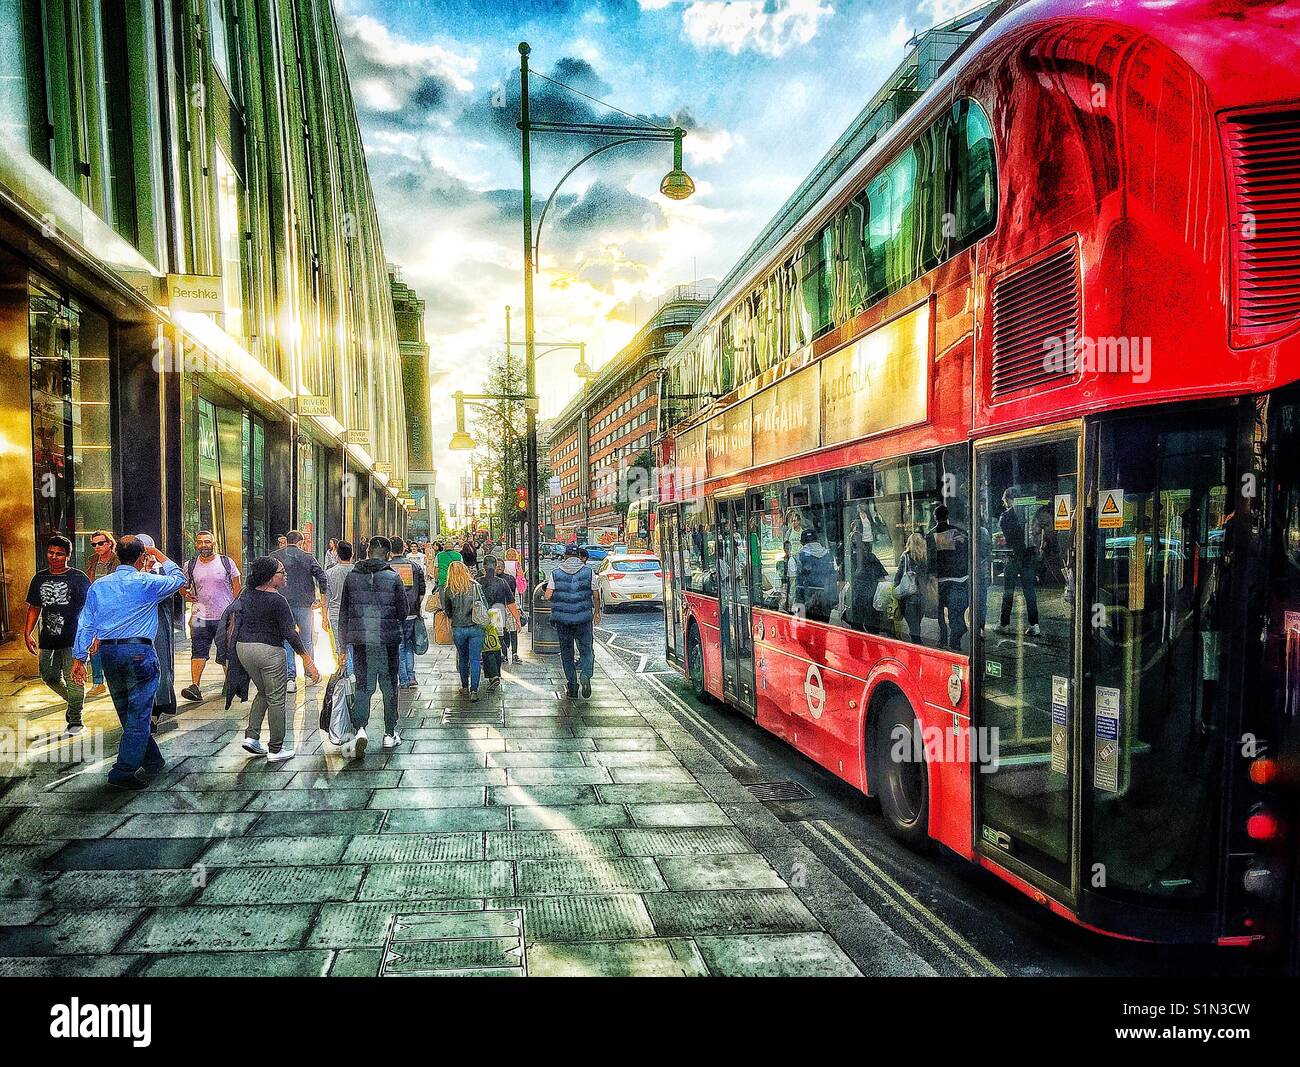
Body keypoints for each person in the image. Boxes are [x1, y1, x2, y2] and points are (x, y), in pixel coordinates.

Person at [70, 536, 186, 788]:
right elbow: (179, 578)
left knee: (126, 709)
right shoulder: (147, 582)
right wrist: (159, 554)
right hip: (138, 651)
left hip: (109, 653)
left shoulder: (99, 586)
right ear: (141, 557)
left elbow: (86, 621)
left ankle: (152, 759)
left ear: (116, 554)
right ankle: (123, 770)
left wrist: (79, 657)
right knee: (140, 713)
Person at [218, 556, 319, 762]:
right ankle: (276, 748)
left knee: (263, 692)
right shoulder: (278, 600)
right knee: (276, 699)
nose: (285, 575)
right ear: (271, 577)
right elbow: (291, 633)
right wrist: (307, 660)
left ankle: (252, 737)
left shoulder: (246, 594)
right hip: (269, 652)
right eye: (281, 572)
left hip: (244, 649)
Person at [338, 535, 408, 756]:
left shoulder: (352, 577)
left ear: (367, 551)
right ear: (387, 554)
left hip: (361, 642)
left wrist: (342, 645)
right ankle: (389, 734)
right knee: (389, 687)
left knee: (363, 687)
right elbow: (403, 612)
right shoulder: (393, 577)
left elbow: (344, 613)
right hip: (386, 641)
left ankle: (360, 729)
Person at [25, 535, 90, 736]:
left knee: (75, 679)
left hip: (74, 637)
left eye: (59, 554)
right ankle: (73, 705)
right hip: (48, 637)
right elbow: (35, 607)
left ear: (68, 556)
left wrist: (93, 636)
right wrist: (27, 632)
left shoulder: (78, 578)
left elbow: (90, 609)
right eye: (51, 552)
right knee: (49, 676)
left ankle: (75, 719)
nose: (54, 557)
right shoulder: (39, 578)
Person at [180, 530, 241, 702]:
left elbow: (237, 587)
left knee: (227, 650)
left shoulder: (226, 562)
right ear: (196, 544)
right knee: (198, 648)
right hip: (200, 614)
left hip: (224, 614)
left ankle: (230, 683)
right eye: (200, 542)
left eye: (207, 542)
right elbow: (182, 585)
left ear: (213, 543)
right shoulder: (190, 565)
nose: (203, 545)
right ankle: (194, 686)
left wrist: (235, 610)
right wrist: (186, 594)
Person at [271, 530, 327, 692]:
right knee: (306, 639)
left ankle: (290, 678)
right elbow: (322, 577)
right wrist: (321, 599)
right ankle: (310, 672)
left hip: (282, 603)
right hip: (304, 604)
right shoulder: (308, 557)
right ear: (301, 542)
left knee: (287, 639)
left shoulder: (275, 556)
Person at [133, 534, 180, 727]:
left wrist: (157, 558)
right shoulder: (129, 575)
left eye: (146, 552)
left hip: (158, 625)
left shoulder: (161, 574)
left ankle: (154, 711)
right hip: (136, 630)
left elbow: (178, 581)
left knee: (160, 665)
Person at [545, 543, 600, 699]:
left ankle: (573, 686)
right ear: (578, 556)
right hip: (583, 620)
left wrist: (549, 597)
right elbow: (595, 595)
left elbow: (548, 595)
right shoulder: (589, 572)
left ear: (565, 556)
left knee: (567, 653)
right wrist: (597, 612)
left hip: (563, 621)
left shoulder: (555, 573)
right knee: (586, 650)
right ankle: (586, 675)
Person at [997, 486, 1040, 636]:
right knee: (1029, 591)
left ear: (1008, 499)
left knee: (1008, 591)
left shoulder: (1005, 516)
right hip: (1027, 557)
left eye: (1005, 499)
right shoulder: (1029, 513)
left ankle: (1004, 624)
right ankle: (1034, 625)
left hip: (1013, 558)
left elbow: (1007, 538)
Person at [927, 505, 970, 651]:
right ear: (947, 515)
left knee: (939, 611)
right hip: (959, 579)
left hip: (940, 581)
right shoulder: (960, 533)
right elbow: (967, 554)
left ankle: (943, 638)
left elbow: (930, 560)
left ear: (935, 517)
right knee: (955, 613)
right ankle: (955, 642)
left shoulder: (930, 535)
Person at [442, 560, 485, 700]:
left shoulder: (448, 589)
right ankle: (474, 690)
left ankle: (465, 687)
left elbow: (448, 611)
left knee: (463, 658)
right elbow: (484, 604)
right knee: (475, 659)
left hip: (458, 628)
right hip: (476, 627)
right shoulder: (475, 586)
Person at [83, 530, 118, 698]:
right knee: (93, 644)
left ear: (110, 543)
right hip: (96, 606)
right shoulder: (91, 560)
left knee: (113, 645)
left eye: (100, 543)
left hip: (114, 607)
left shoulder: (118, 560)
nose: (97, 547)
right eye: (94, 544)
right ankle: (98, 682)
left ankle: (115, 681)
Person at [390, 537, 426, 688]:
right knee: (409, 645)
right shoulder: (415, 566)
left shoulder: (387, 568)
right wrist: (416, 606)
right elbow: (422, 591)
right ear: (404, 548)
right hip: (412, 611)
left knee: (399, 646)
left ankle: (403, 680)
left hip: (394, 613)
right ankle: (411, 676)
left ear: (390, 551)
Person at [480, 555, 519, 666]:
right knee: (497, 640)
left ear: (484, 567)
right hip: (497, 614)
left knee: (484, 641)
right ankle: (496, 669)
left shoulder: (478, 582)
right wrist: (517, 619)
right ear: (496, 566)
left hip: (482, 614)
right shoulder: (502, 582)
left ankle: (489, 666)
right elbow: (511, 602)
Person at [793, 529, 838, 622]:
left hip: (805, 600)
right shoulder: (829, 555)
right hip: (826, 599)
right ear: (817, 540)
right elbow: (834, 577)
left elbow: (795, 582)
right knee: (823, 630)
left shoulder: (798, 557)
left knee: (804, 630)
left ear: (802, 542)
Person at [324, 539, 355, 673]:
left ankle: (347, 673)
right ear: (352, 554)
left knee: (340, 647)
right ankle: (352, 674)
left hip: (336, 614)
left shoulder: (329, 573)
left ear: (337, 555)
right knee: (353, 647)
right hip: (355, 616)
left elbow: (326, 597)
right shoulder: (357, 571)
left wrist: (324, 617)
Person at [894, 531, 929, 643]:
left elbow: (898, 576)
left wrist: (895, 589)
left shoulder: (905, 557)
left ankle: (917, 645)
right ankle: (917, 642)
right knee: (917, 623)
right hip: (923, 594)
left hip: (910, 595)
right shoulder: (926, 557)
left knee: (913, 625)